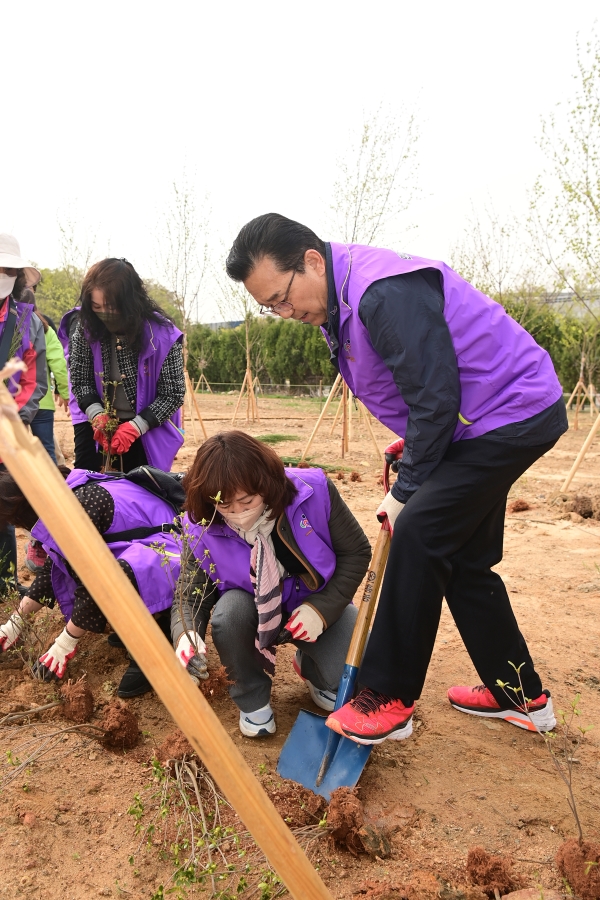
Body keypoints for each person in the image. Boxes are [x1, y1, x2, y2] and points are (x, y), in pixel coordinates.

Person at [225, 213, 568, 745]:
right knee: (465, 562)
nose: (284, 312)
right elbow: (423, 388)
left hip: (509, 414)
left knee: (419, 533)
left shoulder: (379, 293)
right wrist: (417, 441)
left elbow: (437, 395)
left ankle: (388, 698)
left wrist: (407, 490)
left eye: (283, 297)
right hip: (478, 422)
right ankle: (521, 696)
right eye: (269, 307)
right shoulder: (339, 302)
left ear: (312, 261)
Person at [175, 430, 371, 737]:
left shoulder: (313, 492)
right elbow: (188, 596)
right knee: (229, 615)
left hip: (313, 603)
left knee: (355, 676)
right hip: (250, 610)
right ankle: (253, 702)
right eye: (225, 506)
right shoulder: (200, 526)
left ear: (265, 484)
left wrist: (321, 610)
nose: (239, 514)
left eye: (247, 500)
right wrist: (185, 634)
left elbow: (356, 552)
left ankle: (311, 668)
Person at [0, 466, 195, 697]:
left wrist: (64, 644)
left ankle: (156, 640)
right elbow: (56, 565)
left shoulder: (77, 510)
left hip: (174, 548)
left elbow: (96, 581)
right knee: (105, 573)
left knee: (119, 574)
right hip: (144, 543)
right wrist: (14, 623)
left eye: (13, 521)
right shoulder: (62, 499)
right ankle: (138, 625)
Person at [59, 257, 185, 474]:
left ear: (130, 302)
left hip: (148, 427)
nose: (104, 314)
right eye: (97, 306)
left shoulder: (163, 335)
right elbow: (80, 381)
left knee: (144, 490)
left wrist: (135, 427)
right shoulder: (86, 328)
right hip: (102, 427)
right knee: (94, 485)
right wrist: (97, 415)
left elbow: (173, 393)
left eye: (111, 307)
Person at [0, 234, 47, 594]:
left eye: (9, 270)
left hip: (8, 427)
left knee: (2, 505)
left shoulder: (24, 322)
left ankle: (3, 582)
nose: (4, 275)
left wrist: (10, 420)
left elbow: (33, 379)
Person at [23, 293, 70, 574]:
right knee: (48, 468)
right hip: (41, 406)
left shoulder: (15, 325)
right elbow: (57, 363)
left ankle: (42, 536)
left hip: (15, 406)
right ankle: (49, 530)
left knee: (16, 470)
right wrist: (65, 394)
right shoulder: (43, 326)